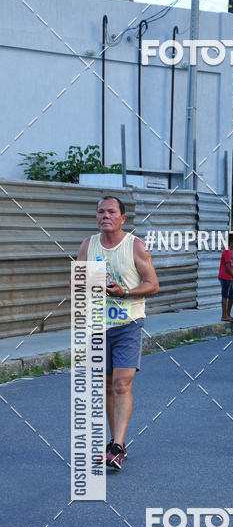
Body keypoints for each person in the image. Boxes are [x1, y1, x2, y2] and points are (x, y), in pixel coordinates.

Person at [77, 195, 159, 469]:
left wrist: (125, 293)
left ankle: (115, 445)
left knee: (122, 383)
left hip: (128, 322)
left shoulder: (135, 246)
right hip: (98, 324)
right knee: (107, 385)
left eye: (111, 212)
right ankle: (118, 444)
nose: (105, 216)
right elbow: (76, 283)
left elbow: (153, 285)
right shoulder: (88, 245)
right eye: (100, 212)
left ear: (123, 218)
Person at [218, 232, 233, 322]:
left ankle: (227, 314)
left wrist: (232, 277)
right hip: (225, 277)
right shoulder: (227, 252)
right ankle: (224, 315)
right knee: (225, 296)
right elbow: (227, 266)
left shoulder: (228, 252)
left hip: (227, 277)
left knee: (232, 296)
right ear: (231, 243)